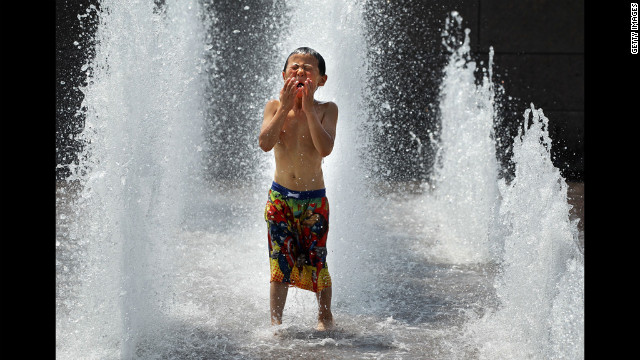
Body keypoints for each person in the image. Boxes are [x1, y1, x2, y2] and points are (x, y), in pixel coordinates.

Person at [259, 47, 338, 331]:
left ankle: (324, 317)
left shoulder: (327, 110)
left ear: (322, 80)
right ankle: (275, 322)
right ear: (283, 76)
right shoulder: (274, 107)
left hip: (313, 202)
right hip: (280, 198)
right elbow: (265, 143)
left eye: (308, 68)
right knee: (280, 262)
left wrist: (308, 111)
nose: (301, 71)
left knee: (318, 260)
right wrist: (285, 107)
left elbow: (325, 148)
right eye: (295, 68)